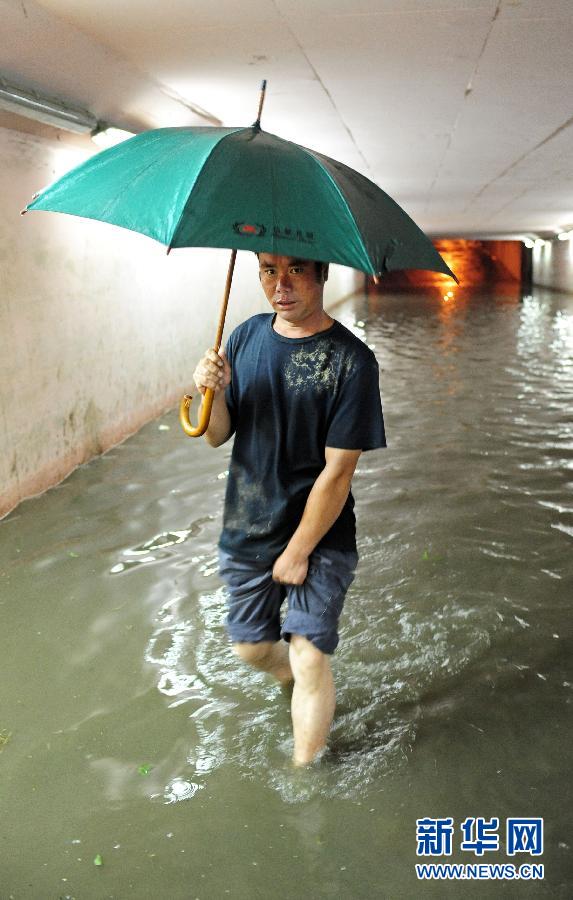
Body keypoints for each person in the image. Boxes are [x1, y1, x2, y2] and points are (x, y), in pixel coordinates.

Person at [192, 253, 386, 766]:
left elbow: (338, 473)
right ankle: (292, 679)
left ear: (322, 273)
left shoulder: (352, 362)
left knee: (308, 652)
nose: (280, 284)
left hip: (320, 534)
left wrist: (299, 551)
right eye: (268, 271)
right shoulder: (245, 337)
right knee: (251, 648)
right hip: (249, 524)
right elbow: (215, 436)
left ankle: (306, 779)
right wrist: (207, 391)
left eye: (296, 270)